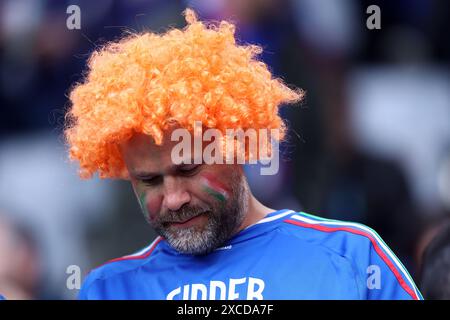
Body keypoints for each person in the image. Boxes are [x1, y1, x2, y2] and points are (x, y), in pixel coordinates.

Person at [65, 9, 422, 300]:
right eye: (150, 180)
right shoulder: (109, 289)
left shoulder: (351, 255)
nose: (173, 199)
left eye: (188, 168)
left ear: (237, 144)